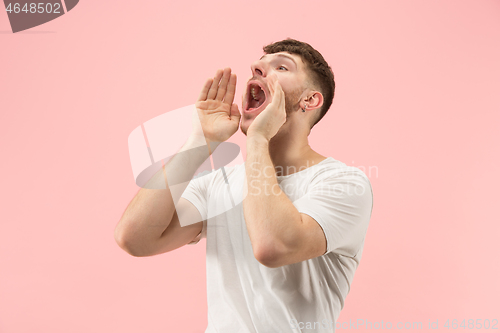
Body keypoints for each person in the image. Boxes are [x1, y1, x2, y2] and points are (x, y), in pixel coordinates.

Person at [115, 38, 373, 332]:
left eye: (281, 67)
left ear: (309, 101)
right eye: (259, 65)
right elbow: (134, 238)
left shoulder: (344, 182)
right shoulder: (219, 185)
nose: (257, 67)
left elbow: (272, 246)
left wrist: (259, 139)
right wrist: (199, 143)